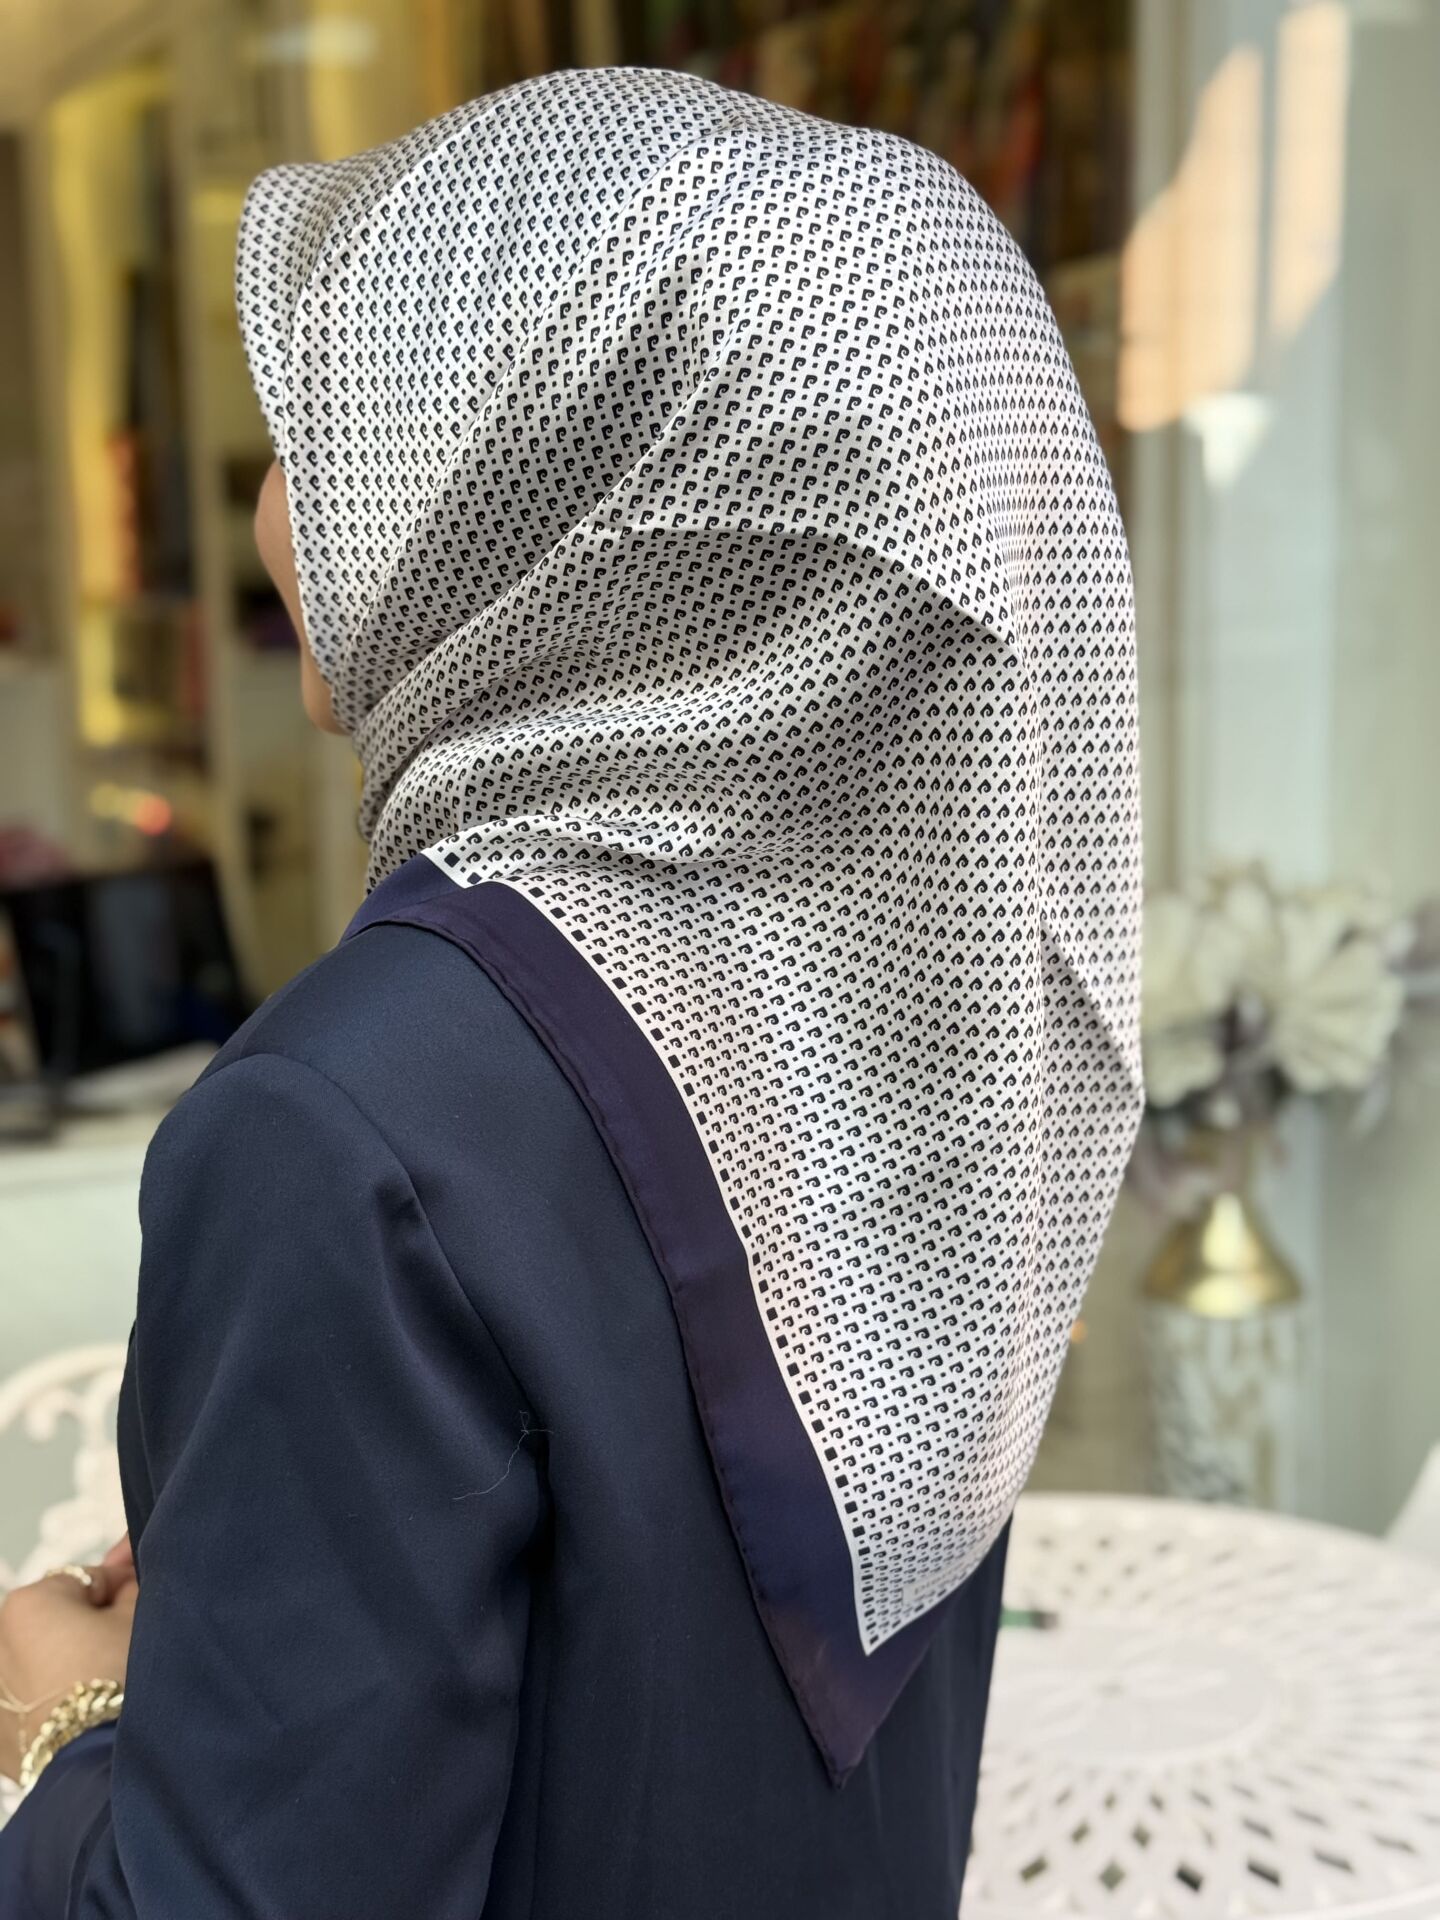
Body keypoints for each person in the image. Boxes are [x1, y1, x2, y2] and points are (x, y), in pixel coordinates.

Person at [0, 65, 1142, 1918]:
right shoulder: (937, 1026)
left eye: (344, 418)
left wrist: (67, 1725)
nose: (281, 495)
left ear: (554, 502)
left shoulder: (344, 1131)